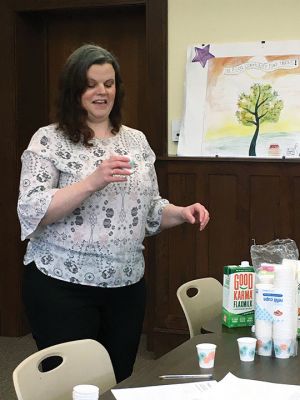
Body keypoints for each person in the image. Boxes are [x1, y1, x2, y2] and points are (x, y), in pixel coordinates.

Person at [17, 44, 210, 382]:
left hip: (126, 286)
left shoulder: (135, 141)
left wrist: (180, 212)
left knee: (117, 377)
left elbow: (149, 211)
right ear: (74, 90)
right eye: (91, 83)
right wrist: (93, 181)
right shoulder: (48, 140)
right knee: (72, 385)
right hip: (61, 285)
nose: (101, 91)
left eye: (108, 83)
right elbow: (33, 209)